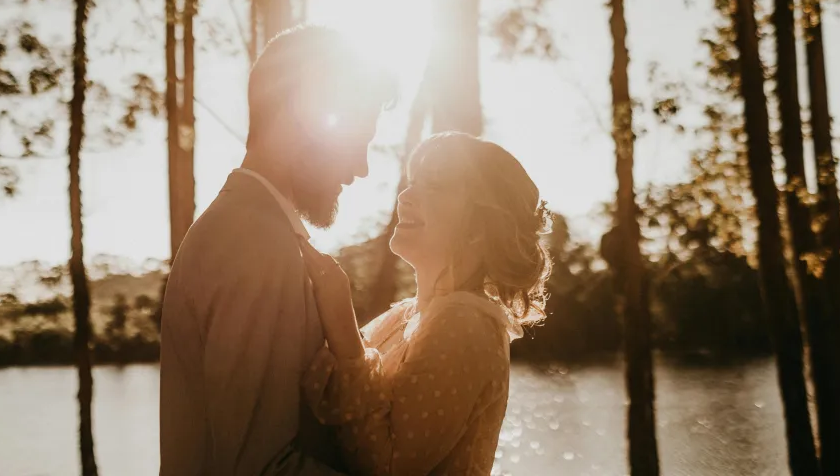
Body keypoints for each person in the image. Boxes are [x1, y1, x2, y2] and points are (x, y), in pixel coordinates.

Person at [159, 26, 396, 476]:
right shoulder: (254, 243)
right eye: (358, 138)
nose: (362, 167)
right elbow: (261, 467)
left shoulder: (255, 231)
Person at [299, 132, 551, 476]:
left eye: (436, 186)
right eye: (413, 182)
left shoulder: (465, 323)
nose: (406, 196)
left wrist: (341, 318)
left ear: (480, 226)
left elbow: (388, 467)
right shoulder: (408, 315)